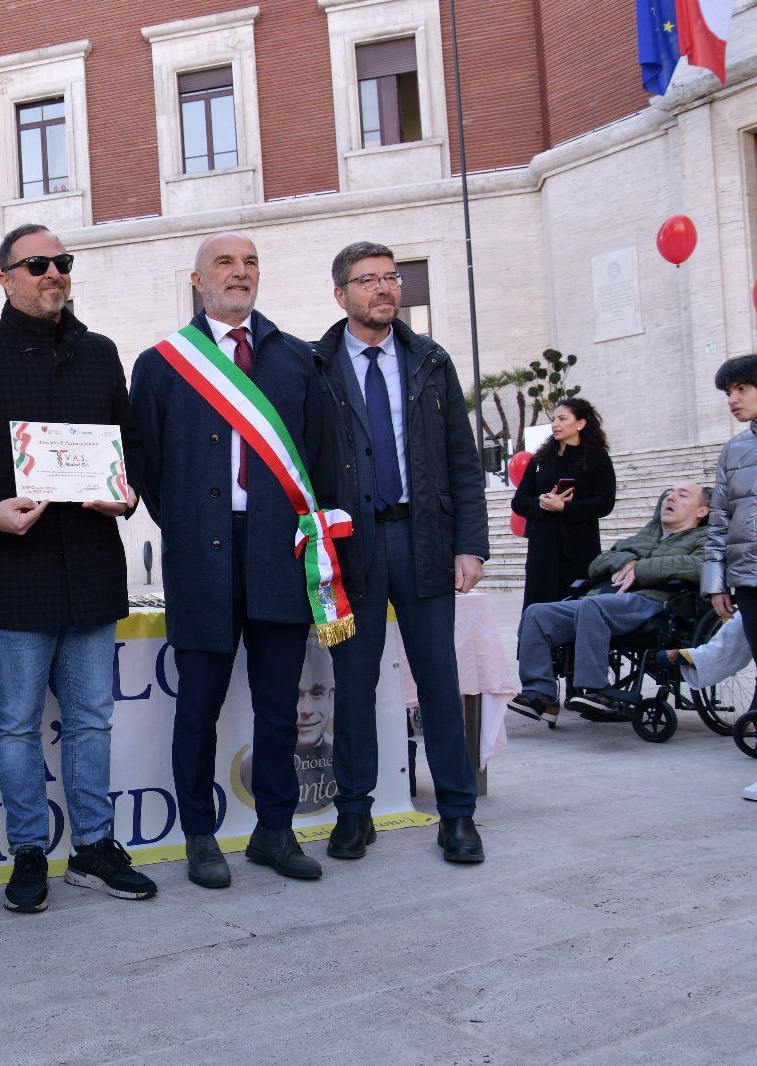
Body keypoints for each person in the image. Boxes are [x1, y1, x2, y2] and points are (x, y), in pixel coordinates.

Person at [0, 223, 155, 912]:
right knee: (17, 724)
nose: (53, 272)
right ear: (5, 278)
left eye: (61, 261)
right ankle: (29, 850)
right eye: (36, 264)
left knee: (92, 719)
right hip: (15, 566)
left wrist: (126, 496)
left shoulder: (100, 352)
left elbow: (128, 448)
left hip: (91, 564)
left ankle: (94, 848)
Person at [130, 232, 344, 890]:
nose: (240, 272)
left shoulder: (297, 359)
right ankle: (200, 836)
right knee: (198, 708)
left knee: (279, 708)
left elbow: (319, 457)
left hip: (280, 554)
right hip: (203, 559)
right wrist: (192, 526)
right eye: (224, 262)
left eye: (250, 262)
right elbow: (148, 466)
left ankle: (274, 831)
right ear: (198, 281)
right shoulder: (162, 364)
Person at [315, 240, 488, 865]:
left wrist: (470, 545)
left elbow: (463, 459)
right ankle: (353, 812)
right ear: (342, 294)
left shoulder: (430, 361)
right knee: (353, 684)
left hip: (425, 539)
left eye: (391, 277)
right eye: (368, 280)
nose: (385, 288)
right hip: (351, 548)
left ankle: (457, 815)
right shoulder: (317, 365)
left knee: (438, 681)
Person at [509, 481, 709, 726]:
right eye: (669, 494)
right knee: (537, 613)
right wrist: (628, 561)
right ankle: (541, 695)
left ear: (702, 511)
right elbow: (598, 564)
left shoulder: (706, 538)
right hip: (605, 600)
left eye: (682, 495)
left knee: (593, 607)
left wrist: (641, 569)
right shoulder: (644, 535)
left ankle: (596, 689)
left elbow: (700, 566)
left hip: (655, 603)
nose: (671, 498)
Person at [702, 352, 757, 802]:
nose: (732, 400)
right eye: (728, 393)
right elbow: (719, 520)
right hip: (754, 581)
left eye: (741, 389)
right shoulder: (735, 450)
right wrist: (715, 581)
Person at [510, 398, 617, 608]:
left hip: (579, 548)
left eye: (562, 419)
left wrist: (565, 507)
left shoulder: (598, 457)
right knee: (538, 609)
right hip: (542, 549)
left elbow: (605, 503)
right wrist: (541, 503)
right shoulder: (540, 459)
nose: (555, 424)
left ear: (580, 423)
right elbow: (519, 502)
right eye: (553, 419)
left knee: (575, 609)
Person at [295, 638, 339, 816]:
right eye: (296, 694)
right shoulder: (248, 772)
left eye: (317, 693)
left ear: (331, 697)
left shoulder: (344, 758)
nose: (307, 710)